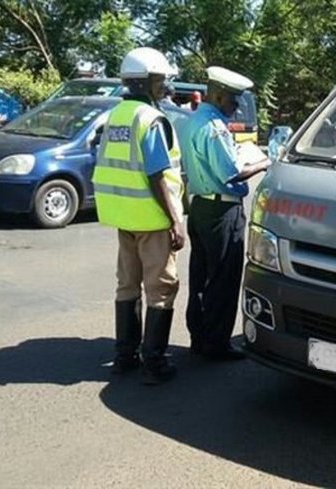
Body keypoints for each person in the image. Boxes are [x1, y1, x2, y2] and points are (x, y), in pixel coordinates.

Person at [92, 47, 186, 385]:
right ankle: (155, 363)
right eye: (161, 79)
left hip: (124, 216)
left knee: (127, 285)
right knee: (161, 289)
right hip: (152, 218)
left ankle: (124, 356)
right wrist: (175, 219)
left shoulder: (116, 115)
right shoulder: (150, 120)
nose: (165, 86)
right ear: (148, 81)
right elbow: (157, 173)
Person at [181, 66, 270, 361]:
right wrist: (262, 164)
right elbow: (230, 174)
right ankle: (216, 344)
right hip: (221, 208)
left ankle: (200, 335)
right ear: (218, 96)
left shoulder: (195, 119)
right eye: (233, 100)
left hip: (201, 206)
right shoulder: (215, 127)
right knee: (223, 279)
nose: (236, 107)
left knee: (201, 275)